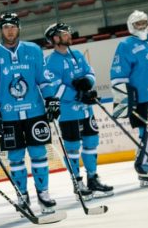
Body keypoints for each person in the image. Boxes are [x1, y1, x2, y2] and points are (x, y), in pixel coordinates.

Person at [0, 12, 60, 214]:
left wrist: (51, 99)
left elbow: (43, 78)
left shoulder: (33, 50)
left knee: (39, 154)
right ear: (1, 30)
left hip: (35, 112)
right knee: (15, 158)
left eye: (13, 26)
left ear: (19, 28)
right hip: (9, 116)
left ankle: (43, 194)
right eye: (6, 27)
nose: (10, 30)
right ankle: (22, 195)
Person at [43, 23, 113, 198]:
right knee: (73, 148)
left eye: (68, 32)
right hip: (68, 113)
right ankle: (78, 182)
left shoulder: (76, 55)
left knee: (91, 142)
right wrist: (78, 95)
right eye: (64, 34)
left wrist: (88, 84)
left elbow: (90, 72)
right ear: (55, 38)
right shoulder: (51, 61)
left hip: (86, 110)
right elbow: (55, 88)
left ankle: (92, 179)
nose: (68, 35)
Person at [110, 10, 148, 187]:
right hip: (141, 98)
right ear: (131, 26)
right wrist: (123, 99)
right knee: (146, 133)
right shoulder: (125, 45)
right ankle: (145, 169)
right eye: (137, 24)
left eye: (144, 22)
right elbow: (118, 74)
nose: (141, 26)